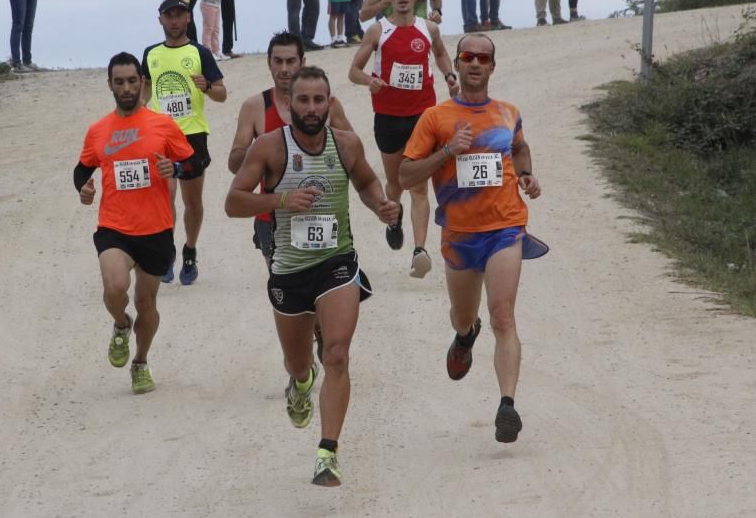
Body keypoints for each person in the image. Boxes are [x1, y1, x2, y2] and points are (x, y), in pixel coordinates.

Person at [225, 65, 400, 487]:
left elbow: (366, 182)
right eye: (302, 100)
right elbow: (233, 202)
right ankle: (300, 382)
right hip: (288, 271)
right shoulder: (269, 147)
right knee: (299, 362)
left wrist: (381, 206)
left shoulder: (346, 144)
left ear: (330, 104)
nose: (311, 108)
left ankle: (328, 453)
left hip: (336, 262)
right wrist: (282, 198)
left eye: (319, 100)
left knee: (336, 353)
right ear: (289, 106)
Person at [399, 32, 545, 444]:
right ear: (458, 65)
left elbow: (520, 148)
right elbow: (406, 176)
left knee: (503, 314)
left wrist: (528, 174)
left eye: (484, 57)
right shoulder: (436, 118)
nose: (476, 63)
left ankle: (507, 406)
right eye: (468, 56)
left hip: (505, 228)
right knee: (465, 315)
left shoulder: (508, 113)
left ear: (493, 67)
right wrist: (447, 152)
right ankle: (465, 336)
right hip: (460, 234)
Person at [74, 52, 200, 394]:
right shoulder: (98, 130)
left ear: (141, 82)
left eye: (132, 81)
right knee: (115, 287)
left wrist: (173, 169)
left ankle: (141, 361)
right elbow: (83, 169)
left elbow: (194, 162)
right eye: (119, 82)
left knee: (147, 304)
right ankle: (120, 323)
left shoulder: (161, 125)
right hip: (114, 226)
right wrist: (84, 188)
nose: (127, 88)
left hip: (156, 228)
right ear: (110, 85)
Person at [349, 0, 458, 278]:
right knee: (396, 184)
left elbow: (441, 55)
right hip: (388, 118)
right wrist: (369, 80)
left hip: (423, 116)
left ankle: (420, 250)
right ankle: (394, 219)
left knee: (419, 186)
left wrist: (449, 75)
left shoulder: (429, 29)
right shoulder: (377, 31)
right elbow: (353, 70)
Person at [228, 31, 354, 263]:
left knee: (326, 286)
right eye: (278, 61)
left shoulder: (325, 106)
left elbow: (352, 153)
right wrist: (267, 150)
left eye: (290, 61)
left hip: (322, 213)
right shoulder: (255, 106)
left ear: (302, 62)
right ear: (269, 63)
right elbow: (234, 163)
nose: (284, 69)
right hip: (272, 216)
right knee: (285, 291)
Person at [141, 0, 227, 285]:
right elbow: (145, 90)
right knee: (165, 197)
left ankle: (189, 249)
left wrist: (208, 86)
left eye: (179, 15)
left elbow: (222, 93)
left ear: (188, 18)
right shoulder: (150, 53)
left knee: (192, 201)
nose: (174, 21)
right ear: (160, 20)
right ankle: (167, 253)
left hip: (192, 135)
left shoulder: (200, 53)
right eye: (169, 16)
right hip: (159, 135)